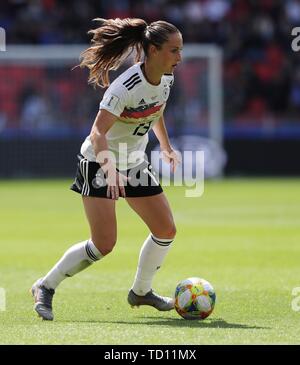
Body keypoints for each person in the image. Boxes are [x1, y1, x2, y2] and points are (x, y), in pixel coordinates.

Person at [31, 18, 183, 321]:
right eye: (173, 50)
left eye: (180, 50)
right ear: (153, 50)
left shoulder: (166, 77)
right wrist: (109, 168)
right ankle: (45, 286)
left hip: (134, 163)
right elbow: (97, 133)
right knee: (104, 244)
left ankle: (141, 292)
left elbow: (156, 111)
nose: (179, 58)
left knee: (165, 230)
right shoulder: (124, 87)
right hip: (98, 163)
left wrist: (165, 145)